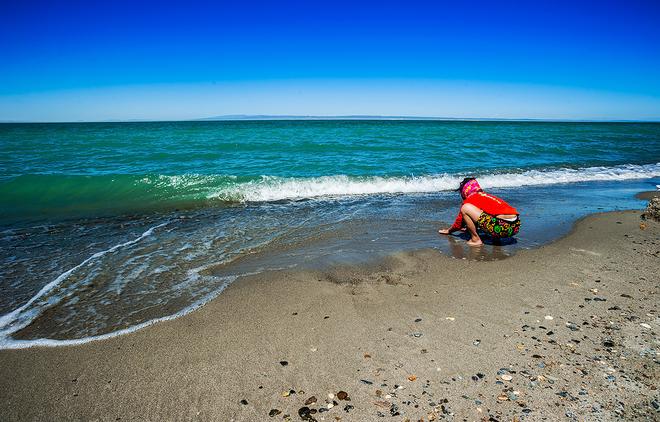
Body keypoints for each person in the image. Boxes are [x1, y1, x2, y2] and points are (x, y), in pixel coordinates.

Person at [438, 177, 520, 246]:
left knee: (465, 208)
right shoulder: (486, 196)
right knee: (493, 213)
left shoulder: (470, 199)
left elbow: (459, 222)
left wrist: (449, 231)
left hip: (502, 228)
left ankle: (475, 240)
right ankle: (496, 240)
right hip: (515, 226)